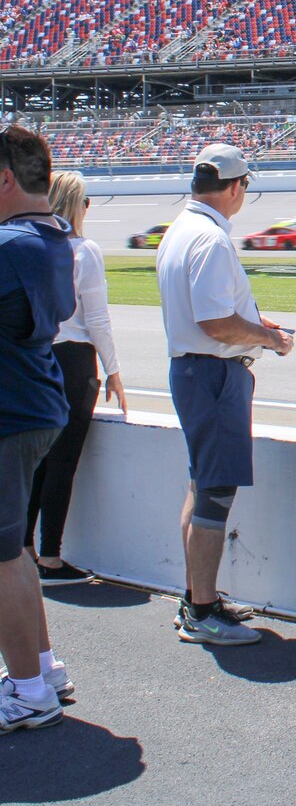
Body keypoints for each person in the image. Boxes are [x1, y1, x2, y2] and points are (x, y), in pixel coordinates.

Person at [157, 144, 295, 647]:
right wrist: (268, 337)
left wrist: (256, 326)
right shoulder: (210, 239)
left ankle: (200, 596)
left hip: (196, 371)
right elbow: (215, 322)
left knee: (201, 488)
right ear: (236, 187)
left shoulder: (181, 230)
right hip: (214, 374)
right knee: (215, 496)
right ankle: (200, 611)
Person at [0, 125, 78, 731]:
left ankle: (29, 691)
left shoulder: (10, 244)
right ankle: (42, 671)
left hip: (9, 413)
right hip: (33, 405)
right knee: (15, 551)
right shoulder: (50, 235)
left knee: (2, 559)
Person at [24, 172, 127, 585]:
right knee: (63, 463)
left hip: (39, 357)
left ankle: (26, 547)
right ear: (75, 206)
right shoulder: (84, 250)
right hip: (75, 361)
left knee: (36, 461)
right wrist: (115, 369)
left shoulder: (36, 249)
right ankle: (51, 556)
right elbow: (98, 319)